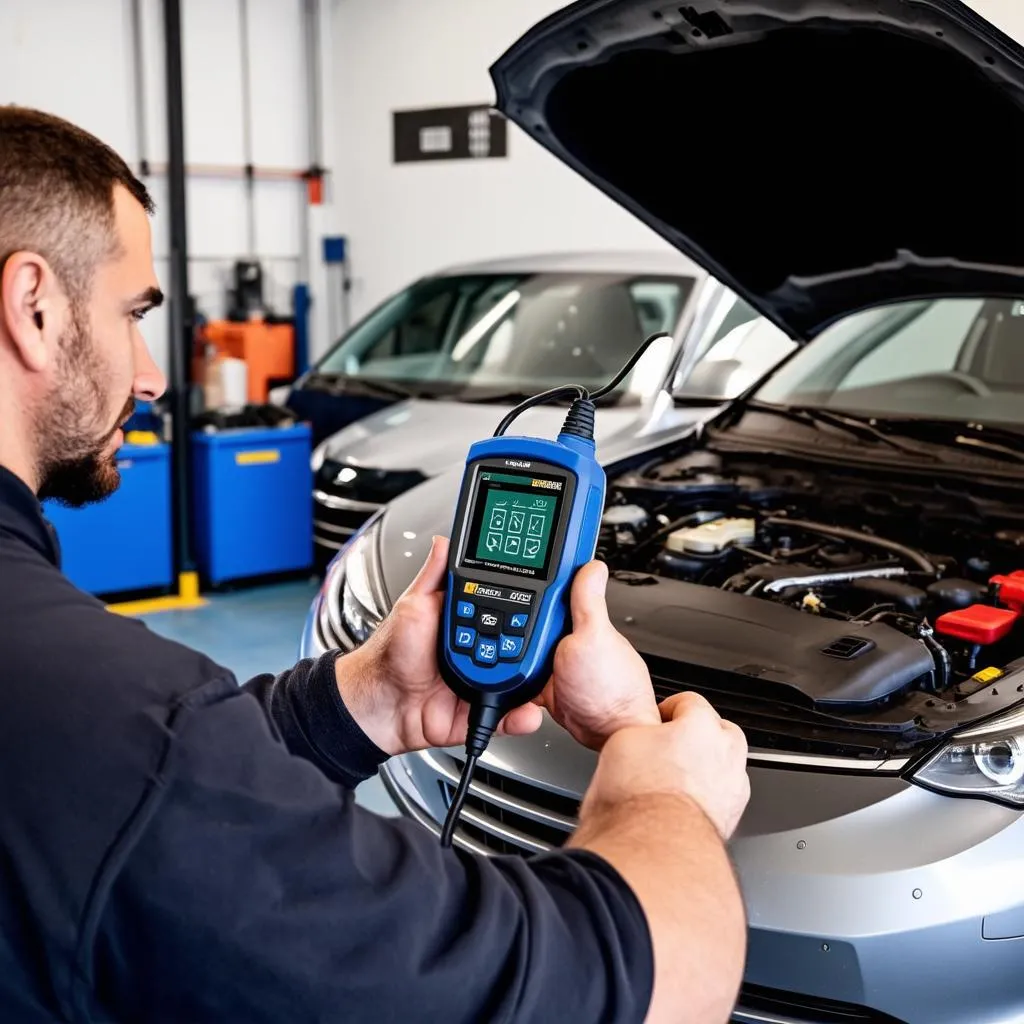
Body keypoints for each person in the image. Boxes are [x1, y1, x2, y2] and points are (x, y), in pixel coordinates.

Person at [0, 105, 750, 1024]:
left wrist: (364, 701)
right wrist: (664, 794)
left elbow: (132, 809)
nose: (151, 374)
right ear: (32, 306)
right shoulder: (113, 724)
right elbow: (628, 987)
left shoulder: (93, 731)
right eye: (134, 315)